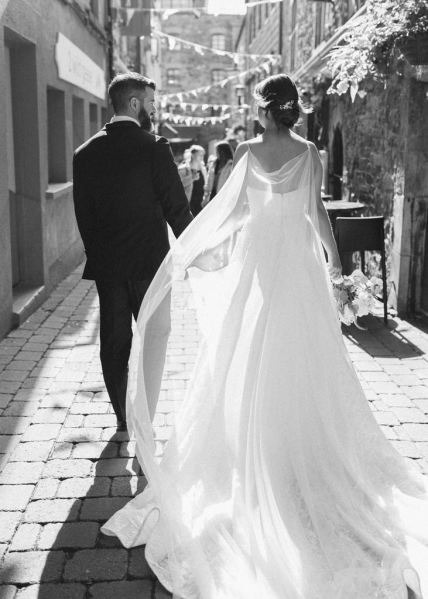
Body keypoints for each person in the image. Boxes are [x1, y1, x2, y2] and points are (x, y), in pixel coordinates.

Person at [102, 74, 428, 597]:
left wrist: (196, 251)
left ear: (264, 110)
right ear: (292, 109)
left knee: (251, 355)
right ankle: (299, 449)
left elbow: (231, 213)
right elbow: (315, 211)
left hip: (259, 265)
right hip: (297, 265)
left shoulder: (250, 152)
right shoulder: (311, 152)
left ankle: (269, 450)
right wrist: (335, 263)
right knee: (303, 357)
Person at [72, 72, 193, 430]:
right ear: (135, 103)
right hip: (150, 264)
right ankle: (146, 413)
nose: (154, 110)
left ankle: (124, 416)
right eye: (151, 103)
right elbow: (177, 208)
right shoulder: (155, 146)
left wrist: (100, 255)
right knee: (154, 338)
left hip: (108, 267)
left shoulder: (84, 153)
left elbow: (84, 215)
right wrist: (194, 247)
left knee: (113, 342)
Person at [202, 140, 233, 206]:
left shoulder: (231, 165)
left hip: (224, 197)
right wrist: (205, 198)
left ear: (223, 152)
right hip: (212, 195)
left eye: (217, 151)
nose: (216, 153)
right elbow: (209, 180)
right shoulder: (214, 164)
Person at [178, 145, 207, 215]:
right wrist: (192, 178)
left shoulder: (203, 168)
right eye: (200, 155)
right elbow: (178, 185)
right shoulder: (183, 168)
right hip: (189, 202)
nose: (202, 157)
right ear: (193, 155)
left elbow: (206, 184)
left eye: (203, 155)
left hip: (201, 203)